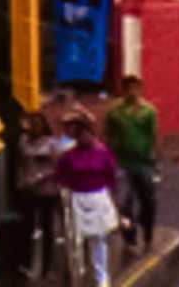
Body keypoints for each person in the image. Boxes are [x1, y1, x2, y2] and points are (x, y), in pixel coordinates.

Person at [59, 111, 124, 287]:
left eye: (87, 134)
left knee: (99, 239)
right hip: (78, 198)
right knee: (76, 240)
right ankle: (77, 274)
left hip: (98, 197)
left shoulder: (103, 153)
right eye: (80, 135)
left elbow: (111, 176)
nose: (85, 138)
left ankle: (101, 277)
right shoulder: (69, 156)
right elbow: (62, 177)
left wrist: (113, 200)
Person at [106, 80, 159, 254]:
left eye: (135, 89)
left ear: (140, 90)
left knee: (148, 201)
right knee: (124, 203)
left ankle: (147, 230)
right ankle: (129, 236)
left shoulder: (148, 111)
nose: (131, 92)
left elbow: (154, 136)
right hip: (121, 163)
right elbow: (108, 135)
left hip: (143, 163)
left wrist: (153, 158)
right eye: (128, 89)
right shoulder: (115, 113)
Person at [22, 106, 66, 277]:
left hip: (48, 191)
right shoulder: (24, 142)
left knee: (48, 228)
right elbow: (22, 163)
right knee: (28, 228)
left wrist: (41, 176)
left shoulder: (52, 143)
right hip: (29, 190)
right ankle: (27, 264)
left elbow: (58, 167)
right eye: (32, 123)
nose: (34, 127)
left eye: (37, 123)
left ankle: (46, 267)